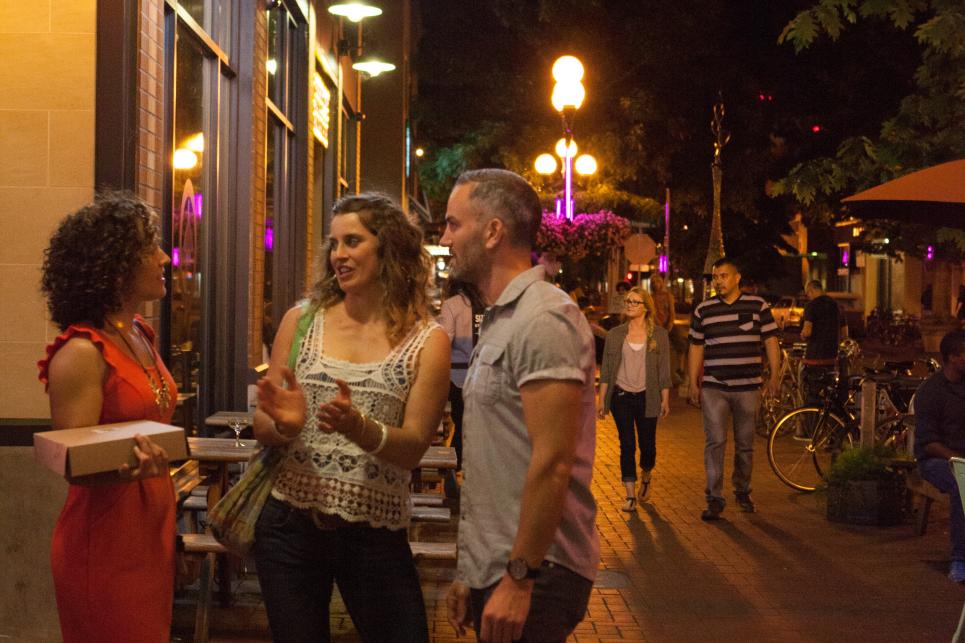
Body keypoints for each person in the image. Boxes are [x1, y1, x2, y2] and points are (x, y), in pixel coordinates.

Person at [252, 193, 450, 643]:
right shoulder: (301, 321)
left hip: (373, 532)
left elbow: (414, 447)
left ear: (389, 249)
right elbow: (264, 427)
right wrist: (285, 423)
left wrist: (357, 426)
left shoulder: (427, 341)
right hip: (289, 525)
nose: (338, 255)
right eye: (334, 243)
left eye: (353, 241)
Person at [441, 169, 599, 643]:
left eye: (453, 224)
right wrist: (473, 570)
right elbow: (496, 461)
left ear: (493, 232)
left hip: (539, 570)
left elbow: (552, 461)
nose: (445, 238)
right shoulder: (502, 318)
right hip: (506, 565)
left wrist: (519, 576)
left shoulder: (544, 316)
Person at [37, 192, 177, 642]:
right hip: (104, 541)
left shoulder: (139, 333)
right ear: (115, 264)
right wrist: (129, 469)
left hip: (150, 529)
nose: (163, 257)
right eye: (149, 247)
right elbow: (74, 466)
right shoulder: (81, 351)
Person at [688, 257, 780, 520]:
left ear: (737, 278)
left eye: (724, 276)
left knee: (745, 444)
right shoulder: (703, 310)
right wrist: (693, 382)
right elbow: (696, 346)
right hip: (715, 387)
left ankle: (742, 490)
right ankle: (714, 498)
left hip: (748, 387)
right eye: (715, 277)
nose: (718, 281)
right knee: (715, 442)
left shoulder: (757, 306)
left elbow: (771, 340)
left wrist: (774, 376)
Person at [597, 286, 672, 511]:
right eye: (628, 301)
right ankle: (630, 495)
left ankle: (646, 474)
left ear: (646, 308)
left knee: (647, 447)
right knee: (627, 444)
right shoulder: (615, 335)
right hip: (622, 397)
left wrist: (665, 399)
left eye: (635, 302)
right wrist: (602, 400)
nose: (629, 304)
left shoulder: (659, 335)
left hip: (648, 397)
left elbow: (664, 371)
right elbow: (607, 370)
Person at [913, 330, 965, 583]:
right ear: (952, 357)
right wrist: (958, 460)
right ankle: (959, 558)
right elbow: (928, 442)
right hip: (937, 459)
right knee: (962, 483)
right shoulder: (932, 391)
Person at [437, 278, 486, 498]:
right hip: (486, 376)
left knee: (463, 423)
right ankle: (464, 471)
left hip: (458, 378)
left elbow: (443, 339)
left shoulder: (452, 305)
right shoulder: (491, 305)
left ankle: (452, 466)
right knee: (476, 427)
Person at [800, 280, 848, 406]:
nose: (808, 296)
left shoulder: (811, 306)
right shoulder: (837, 305)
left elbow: (807, 331)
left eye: (807, 293)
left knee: (812, 394)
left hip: (814, 359)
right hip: (831, 358)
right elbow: (845, 333)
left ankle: (812, 420)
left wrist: (803, 335)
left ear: (811, 290)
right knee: (829, 392)